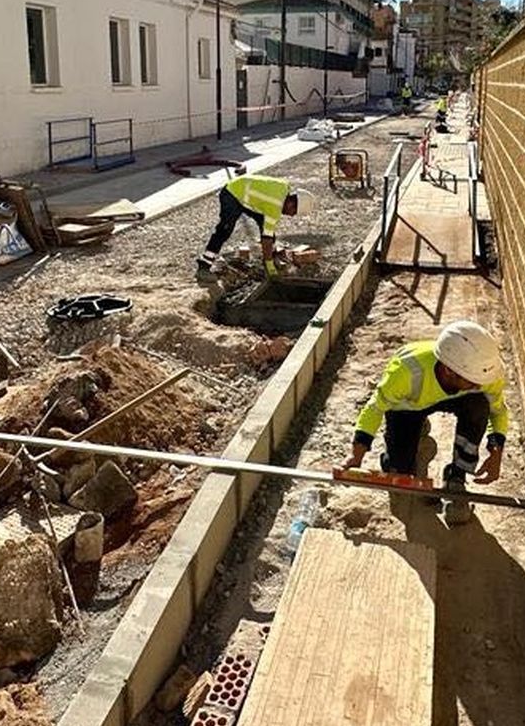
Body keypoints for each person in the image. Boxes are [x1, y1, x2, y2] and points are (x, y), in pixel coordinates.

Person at [341, 320, 509, 524]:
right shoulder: (406, 372)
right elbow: (375, 408)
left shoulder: (482, 374)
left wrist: (496, 453)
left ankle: (456, 477)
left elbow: (497, 411)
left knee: (479, 405)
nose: (478, 385)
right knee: (401, 473)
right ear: (449, 371)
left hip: (456, 399)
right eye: (472, 381)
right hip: (408, 407)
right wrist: (356, 456)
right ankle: (410, 444)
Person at [196, 174, 316, 276]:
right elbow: (266, 239)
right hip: (232, 193)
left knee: (267, 226)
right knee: (225, 229)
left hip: (247, 195)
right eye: (293, 213)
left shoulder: (284, 188)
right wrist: (269, 266)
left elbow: (268, 231)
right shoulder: (275, 205)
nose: (291, 216)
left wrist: (269, 255)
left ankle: (271, 256)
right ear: (291, 204)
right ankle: (204, 265)